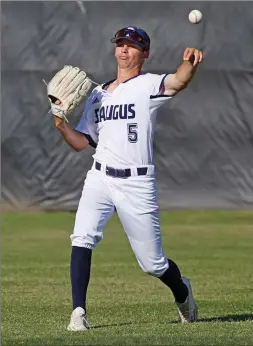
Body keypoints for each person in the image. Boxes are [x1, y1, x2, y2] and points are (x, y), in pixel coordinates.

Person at [53, 26, 203, 331]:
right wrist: (58, 120)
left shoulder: (147, 85)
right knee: (82, 237)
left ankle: (182, 291)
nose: (124, 49)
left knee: (153, 264)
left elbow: (178, 81)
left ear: (145, 54)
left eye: (133, 45)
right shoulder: (97, 94)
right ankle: (78, 313)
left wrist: (189, 62)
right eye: (120, 44)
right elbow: (82, 142)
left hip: (136, 183)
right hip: (100, 177)